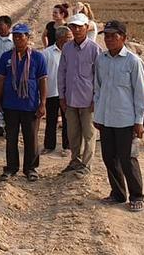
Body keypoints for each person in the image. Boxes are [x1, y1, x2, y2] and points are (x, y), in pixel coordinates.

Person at [93, 20, 144, 213]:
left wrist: (139, 121)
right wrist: (98, 115)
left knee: (128, 159)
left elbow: (140, 94)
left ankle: (137, 196)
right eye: (106, 36)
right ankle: (117, 194)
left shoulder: (133, 62)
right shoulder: (102, 59)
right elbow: (98, 89)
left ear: (123, 38)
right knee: (109, 158)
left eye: (113, 36)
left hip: (125, 120)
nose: (108, 39)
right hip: (107, 119)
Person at [0, 23, 47, 182]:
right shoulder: (6, 57)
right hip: (10, 105)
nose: (17, 39)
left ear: (27, 38)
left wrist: (43, 103)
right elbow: (0, 80)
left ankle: (30, 168)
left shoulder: (38, 57)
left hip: (30, 105)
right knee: (11, 138)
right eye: (15, 36)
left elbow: (42, 81)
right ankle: (11, 168)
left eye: (21, 36)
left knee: (31, 139)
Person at [59, 13, 102, 175]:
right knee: (73, 134)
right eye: (73, 26)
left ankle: (86, 164)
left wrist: (96, 99)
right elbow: (61, 73)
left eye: (80, 26)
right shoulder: (67, 48)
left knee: (89, 134)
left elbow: (99, 78)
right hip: (70, 99)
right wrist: (62, 97)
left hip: (88, 101)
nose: (76, 30)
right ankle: (74, 160)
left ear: (86, 28)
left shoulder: (94, 49)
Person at [42, 27, 72, 157]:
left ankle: (67, 146)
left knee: (68, 120)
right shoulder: (47, 53)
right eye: (68, 37)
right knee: (51, 120)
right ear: (60, 38)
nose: (71, 39)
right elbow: (43, 74)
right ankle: (49, 145)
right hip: (52, 91)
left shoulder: (72, 52)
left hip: (68, 92)